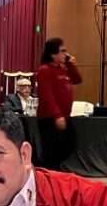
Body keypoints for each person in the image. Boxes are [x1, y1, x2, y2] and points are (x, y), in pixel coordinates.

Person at [35, 37, 82, 170]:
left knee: (70, 144)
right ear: (53, 54)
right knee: (52, 150)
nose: (65, 54)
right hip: (50, 118)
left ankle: (51, 170)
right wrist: (57, 115)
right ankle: (48, 172)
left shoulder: (62, 68)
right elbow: (46, 95)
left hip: (65, 116)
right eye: (62, 51)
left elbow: (77, 79)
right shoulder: (45, 70)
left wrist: (70, 64)